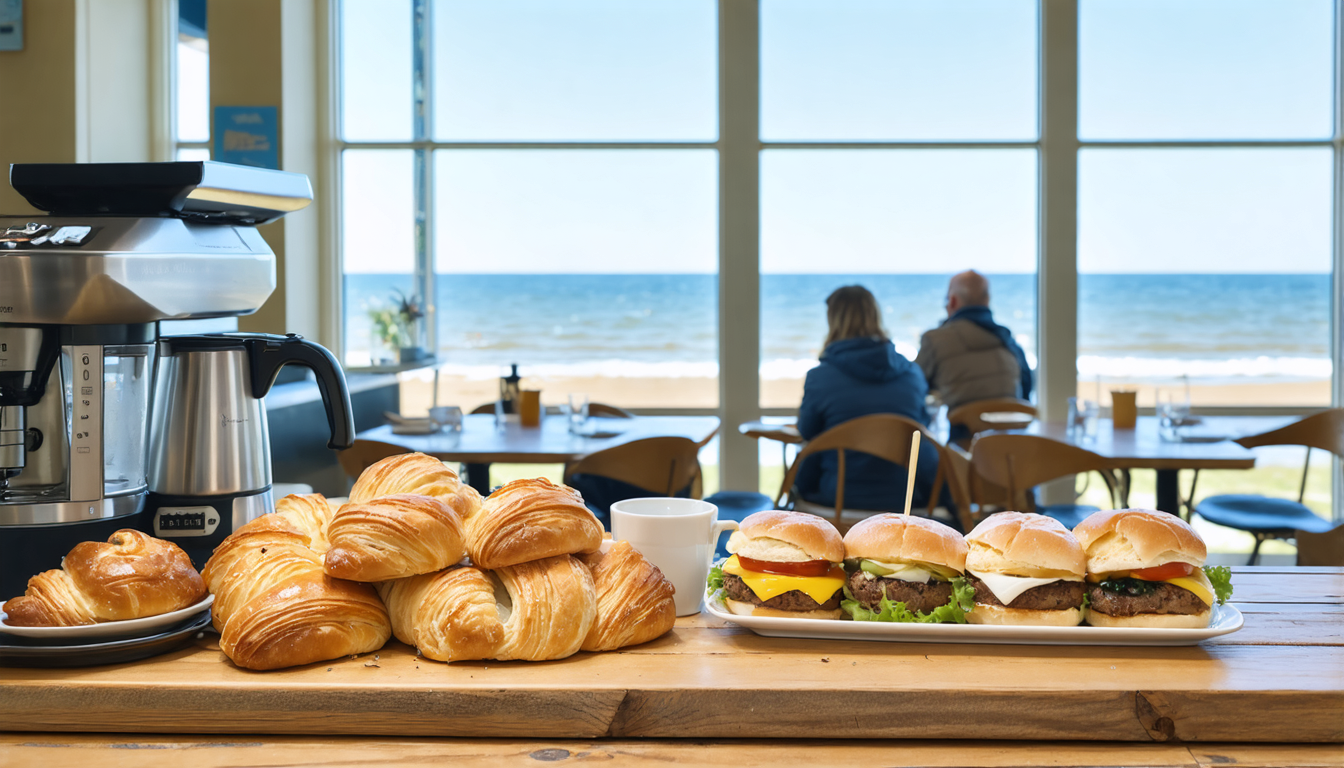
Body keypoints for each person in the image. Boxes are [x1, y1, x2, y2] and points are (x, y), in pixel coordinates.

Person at [794, 285, 942, 518]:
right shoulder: (912, 374)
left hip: (836, 498)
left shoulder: (820, 377)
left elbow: (806, 431)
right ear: (876, 316)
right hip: (905, 500)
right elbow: (921, 429)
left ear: (834, 321)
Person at [915, 270, 1033, 436]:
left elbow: (915, 388)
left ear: (953, 301)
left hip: (962, 453)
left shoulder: (936, 340)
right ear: (987, 300)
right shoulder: (1009, 342)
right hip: (1010, 450)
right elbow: (1026, 391)